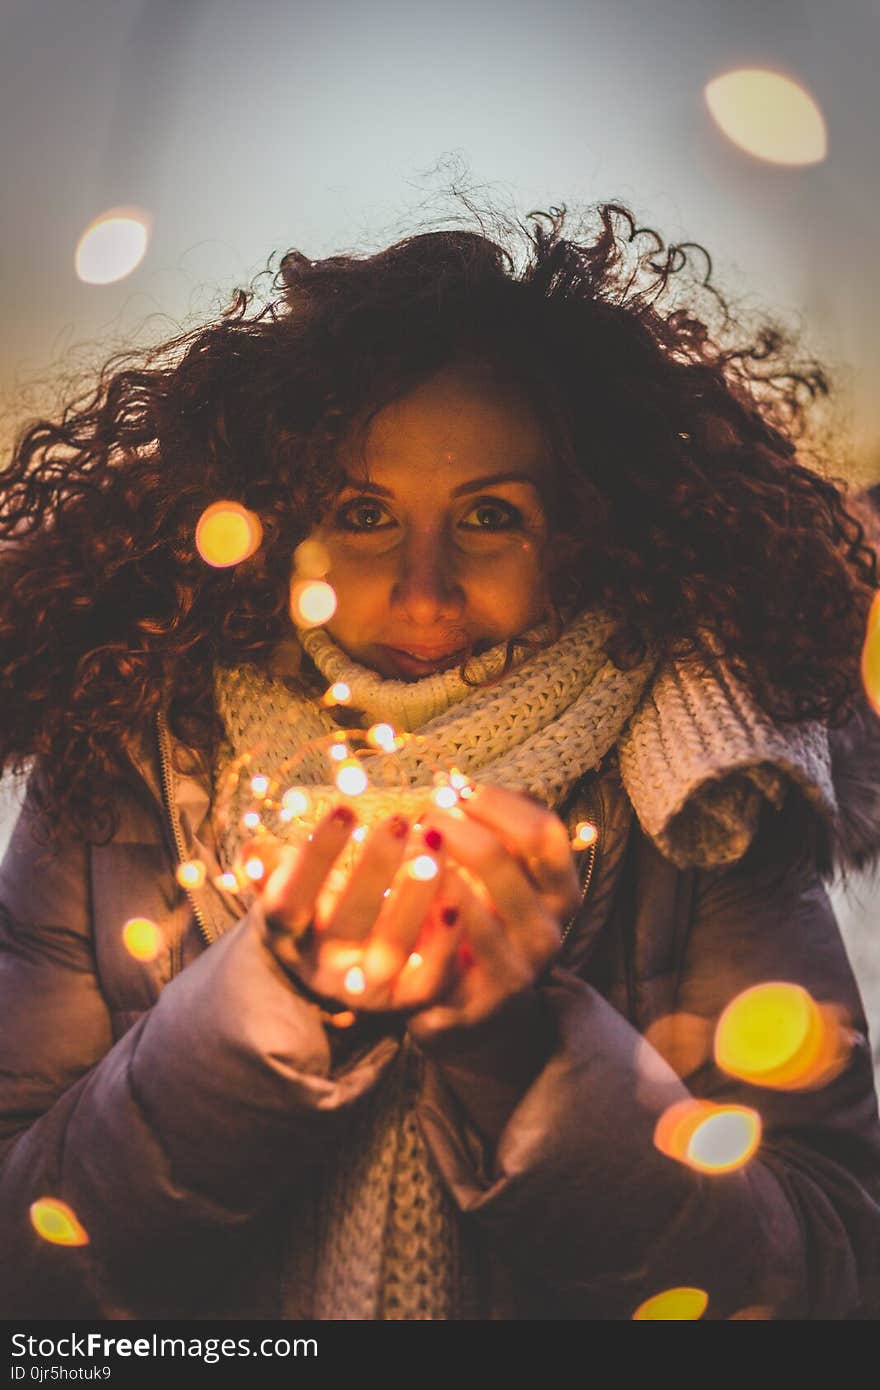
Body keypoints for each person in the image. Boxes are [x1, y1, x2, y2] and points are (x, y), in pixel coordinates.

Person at [1, 203, 879, 1321]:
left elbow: (826, 1275)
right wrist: (273, 1004)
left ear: (578, 532)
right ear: (279, 518)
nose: (423, 589)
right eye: (365, 511)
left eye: (489, 515)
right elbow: (26, 1268)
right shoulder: (123, 767)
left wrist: (520, 1050)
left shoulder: (702, 791)